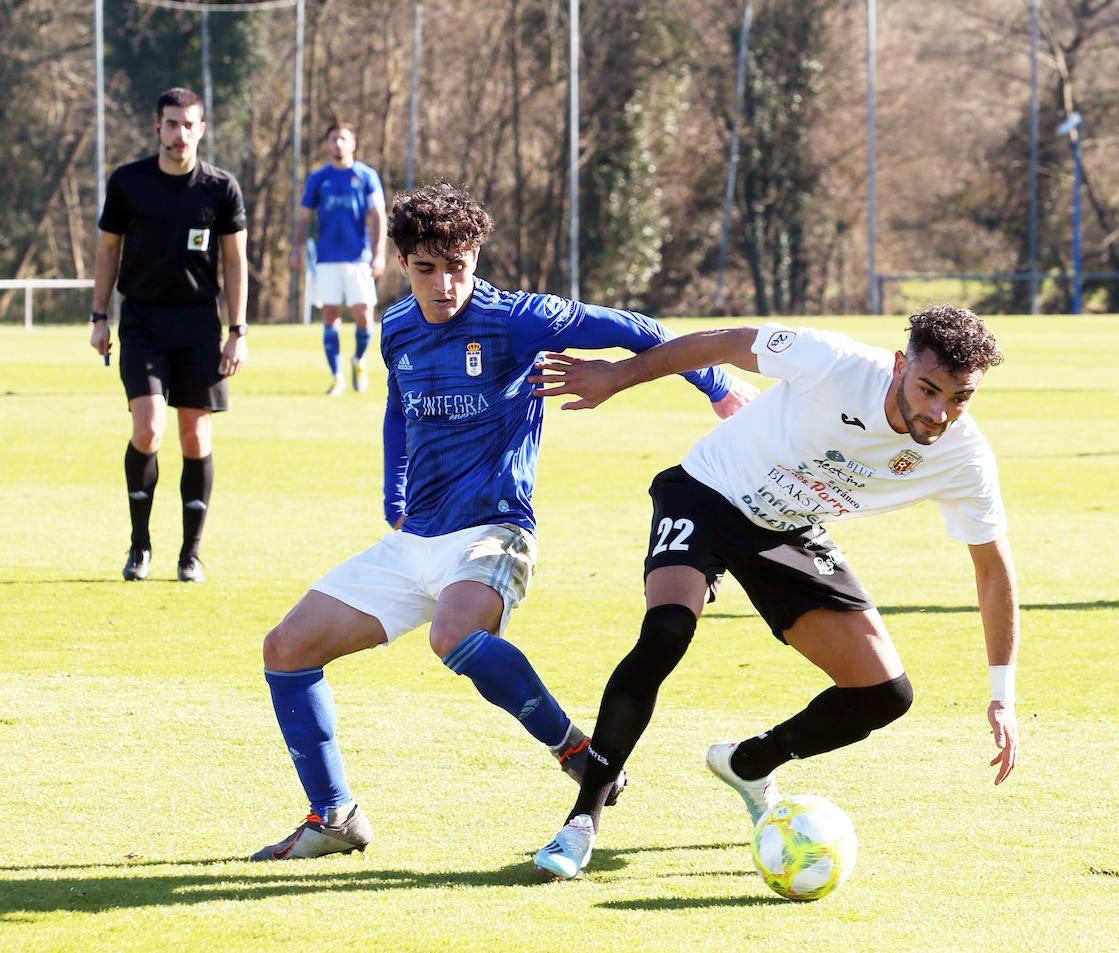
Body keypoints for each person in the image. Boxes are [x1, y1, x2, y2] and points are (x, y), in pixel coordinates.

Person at [251, 180, 755, 861]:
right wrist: (392, 483)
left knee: (452, 633)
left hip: (496, 529)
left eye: (456, 265)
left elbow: (638, 329)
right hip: (415, 540)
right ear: (402, 264)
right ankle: (334, 814)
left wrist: (719, 388)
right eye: (426, 268)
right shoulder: (397, 327)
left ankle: (575, 749)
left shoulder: (518, 319)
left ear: (476, 255)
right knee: (286, 648)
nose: (442, 283)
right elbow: (398, 407)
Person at [527, 305, 1021, 880]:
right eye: (928, 388)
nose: (939, 412)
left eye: (960, 398)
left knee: (883, 693)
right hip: (707, 492)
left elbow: (994, 571)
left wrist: (1002, 694)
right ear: (897, 367)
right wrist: (617, 376)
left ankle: (750, 762)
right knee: (666, 632)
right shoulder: (836, 361)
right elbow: (724, 341)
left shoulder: (966, 458)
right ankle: (583, 819)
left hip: (788, 529)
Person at [88, 86, 248, 584]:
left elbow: (235, 260)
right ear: (158, 127)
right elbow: (108, 250)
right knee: (149, 428)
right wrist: (99, 316)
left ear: (201, 129)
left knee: (196, 436)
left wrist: (238, 330)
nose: (180, 133)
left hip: (200, 323)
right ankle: (140, 545)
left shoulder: (220, 188)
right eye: (171, 124)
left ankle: (191, 554)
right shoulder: (129, 182)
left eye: (189, 124)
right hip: (142, 320)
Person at [290, 123, 387, 395]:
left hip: (359, 258)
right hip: (327, 258)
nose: (338, 144)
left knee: (364, 316)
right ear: (327, 144)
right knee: (330, 315)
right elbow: (305, 216)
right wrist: (297, 248)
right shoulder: (318, 178)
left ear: (353, 143)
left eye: (343, 139)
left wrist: (379, 253)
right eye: (333, 139)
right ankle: (337, 377)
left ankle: (359, 360)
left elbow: (379, 216)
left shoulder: (367, 176)